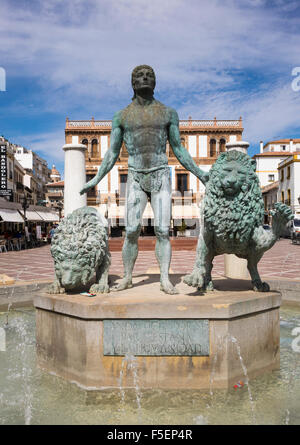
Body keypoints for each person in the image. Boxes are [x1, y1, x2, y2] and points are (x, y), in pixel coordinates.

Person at [80, 65, 208, 294]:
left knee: (161, 230)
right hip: (136, 176)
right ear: (133, 83)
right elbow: (112, 153)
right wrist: (96, 179)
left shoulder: (168, 113)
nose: (145, 78)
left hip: (160, 174)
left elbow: (178, 149)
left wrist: (200, 174)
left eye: (149, 75)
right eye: (140, 75)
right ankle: (128, 277)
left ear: (155, 82)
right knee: (130, 230)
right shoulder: (121, 116)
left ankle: (164, 278)